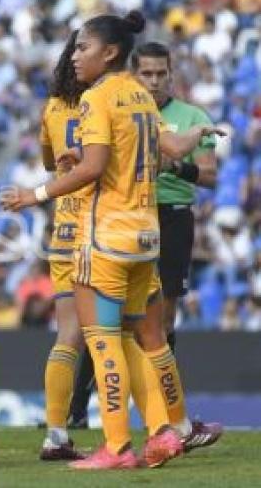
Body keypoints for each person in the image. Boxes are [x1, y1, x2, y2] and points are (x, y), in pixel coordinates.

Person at [1, 11, 223, 470]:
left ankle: (117, 446)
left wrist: (34, 194)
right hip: (146, 236)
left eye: (83, 47)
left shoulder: (97, 97)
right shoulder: (141, 96)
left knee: (102, 341)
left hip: (104, 238)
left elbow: (94, 168)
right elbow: (174, 149)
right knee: (145, 338)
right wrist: (197, 132)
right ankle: (166, 431)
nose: (75, 55)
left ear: (110, 52)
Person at [70, 42, 225, 450]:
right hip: (140, 218)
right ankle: (114, 416)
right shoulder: (131, 104)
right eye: (148, 73)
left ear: (171, 73)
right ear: (137, 71)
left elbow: (209, 177)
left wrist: (171, 163)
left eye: (161, 73)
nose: (154, 80)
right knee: (119, 327)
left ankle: (141, 432)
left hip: (166, 217)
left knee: (142, 325)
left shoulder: (189, 115)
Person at [36, 30, 88, 461]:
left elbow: (49, 162)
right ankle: (160, 430)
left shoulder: (52, 107)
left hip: (64, 228)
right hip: (105, 227)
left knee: (68, 335)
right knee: (128, 333)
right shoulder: (110, 100)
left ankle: (56, 432)